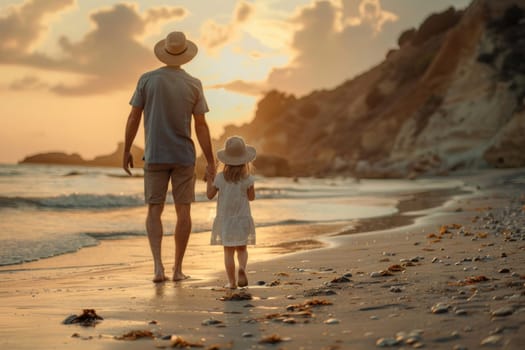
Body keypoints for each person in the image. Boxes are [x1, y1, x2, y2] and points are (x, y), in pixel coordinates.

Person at [123, 31, 215, 283]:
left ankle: (157, 268)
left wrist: (127, 149)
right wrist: (210, 161)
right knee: (183, 211)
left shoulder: (147, 79)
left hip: (154, 156)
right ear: (186, 56)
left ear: (164, 52)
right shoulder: (194, 83)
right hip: (184, 156)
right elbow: (201, 125)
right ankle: (177, 270)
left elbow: (134, 117)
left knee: (155, 209)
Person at [206, 136, 256, 289]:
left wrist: (209, 178)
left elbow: (209, 195)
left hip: (226, 221)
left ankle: (232, 282)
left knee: (228, 251)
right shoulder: (247, 178)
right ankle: (242, 267)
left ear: (226, 160)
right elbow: (251, 198)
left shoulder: (220, 178)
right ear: (245, 160)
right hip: (242, 219)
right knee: (242, 248)